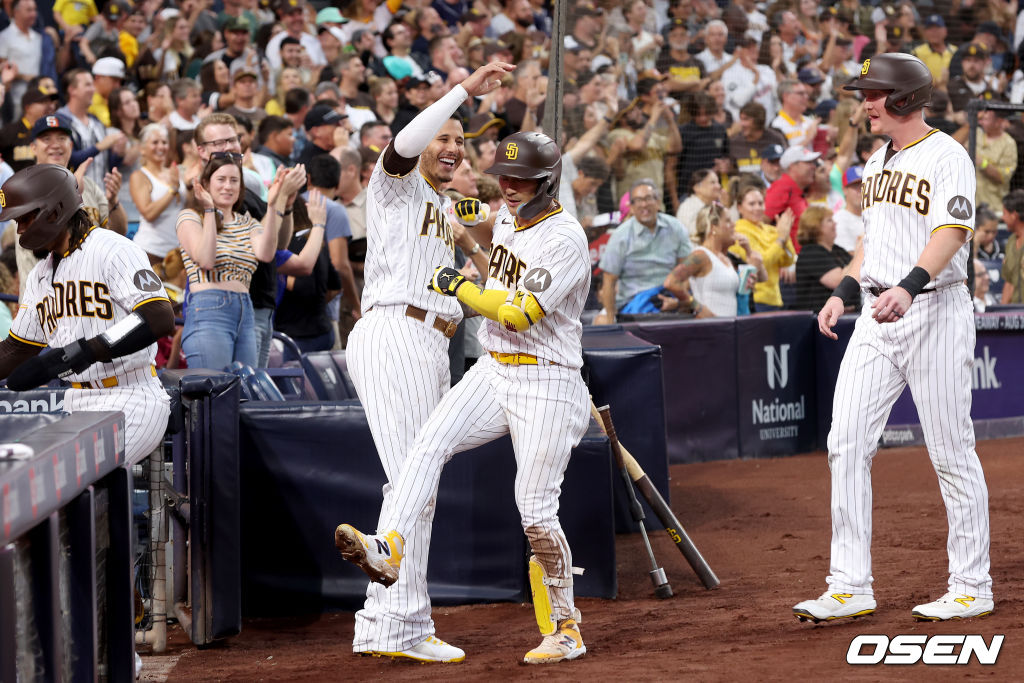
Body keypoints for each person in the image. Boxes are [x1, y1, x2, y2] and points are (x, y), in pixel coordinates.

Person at [335, 129, 593, 665]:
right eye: (505, 176)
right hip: (494, 369)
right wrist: (445, 194)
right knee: (425, 448)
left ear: (549, 182)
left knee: (535, 514)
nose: (511, 186)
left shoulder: (564, 236)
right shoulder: (502, 215)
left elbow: (519, 312)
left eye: (523, 180)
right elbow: (468, 207)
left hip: (546, 379)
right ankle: (390, 545)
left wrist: (459, 286)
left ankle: (566, 626)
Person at [795, 53, 992, 623]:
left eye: (874, 94)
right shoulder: (876, 160)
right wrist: (844, 288)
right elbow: (871, 242)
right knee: (846, 443)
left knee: (950, 450)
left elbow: (952, 231)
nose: (865, 103)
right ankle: (849, 584)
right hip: (876, 311)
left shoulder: (948, 155)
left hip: (933, 309)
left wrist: (908, 285)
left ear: (903, 99)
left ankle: (971, 585)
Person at [328, 61, 513, 664]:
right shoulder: (396, 181)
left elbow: (473, 262)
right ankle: (395, 623)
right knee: (413, 478)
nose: (454, 147)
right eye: (446, 137)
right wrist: (462, 90)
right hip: (394, 330)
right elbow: (404, 144)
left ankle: (393, 624)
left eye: (461, 140)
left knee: (417, 482)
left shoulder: (442, 203)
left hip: (433, 340)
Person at [0, 164, 173, 466]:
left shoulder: (114, 249)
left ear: (53, 212)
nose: (21, 231)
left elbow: (158, 316)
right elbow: (16, 349)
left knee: (68, 476)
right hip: (76, 401)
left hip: (130, 395)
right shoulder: (40, 275)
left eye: (24, 219)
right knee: (34, 480)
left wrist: (89, 349)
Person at [175, 154, 305, 369]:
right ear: (206, 184)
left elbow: (266, 254)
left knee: (246, 391)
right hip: (209, 308)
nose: (228, 186)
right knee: (215, 390)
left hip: (246, 309)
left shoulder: (247, 222)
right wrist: (209, 210)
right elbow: (206, 259)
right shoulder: (190, 217)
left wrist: (273, 206)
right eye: (221, 179)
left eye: (234, 181)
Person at [595, 178, 693, 324]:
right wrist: (611, 317)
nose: (644, 204)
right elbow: (609, 281)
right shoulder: (621, 235)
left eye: (648, 198)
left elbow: (687, 272)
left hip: (670, 300)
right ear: (632, 207)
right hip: (632, 305)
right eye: (638, 200)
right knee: (601, 322)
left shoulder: (676, 227)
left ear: (658, 201)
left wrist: (678, 301)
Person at [663, 202, 764, 317]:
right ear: (713, 227)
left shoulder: (725, 258)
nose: (733, 224)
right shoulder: (701, 255)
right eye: (727, 221)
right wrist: (696, 306)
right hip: (708, 329)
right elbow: (671, 282)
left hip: (729, 328)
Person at [731, 185, 795, 311]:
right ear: (740, 208)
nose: (757, 208)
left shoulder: (770, 230)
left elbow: (788, 260)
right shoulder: (738, 231)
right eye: (752, 204)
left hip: (775, 298)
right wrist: (781, 239)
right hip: (756, 299)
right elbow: (761, 264)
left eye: (760, 203)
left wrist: (785, 238)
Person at [131, 124, 186, 265]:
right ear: (143, 149)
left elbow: (185, 206)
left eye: (164, 142)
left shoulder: (174, 173)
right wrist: (172, 190)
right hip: (150, 252)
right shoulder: (139, 176)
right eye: (155, 142)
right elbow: (149, 213)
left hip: (178, 253)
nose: (161, 147)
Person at [791, 206, 853, 312]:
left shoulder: (838, 250)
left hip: (847, 316)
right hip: (818, 319)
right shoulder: (811, 252)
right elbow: (839, 281)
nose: (835, 223)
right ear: (815, 226)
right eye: (829, 220)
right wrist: (860, 249)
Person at [999, 189, 1024, 304]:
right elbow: (1009, 282)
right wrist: (1001, 313)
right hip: (1015, 314)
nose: (1002, 218)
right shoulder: (1011, 241)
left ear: (1014, 215)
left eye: (1005, 213)